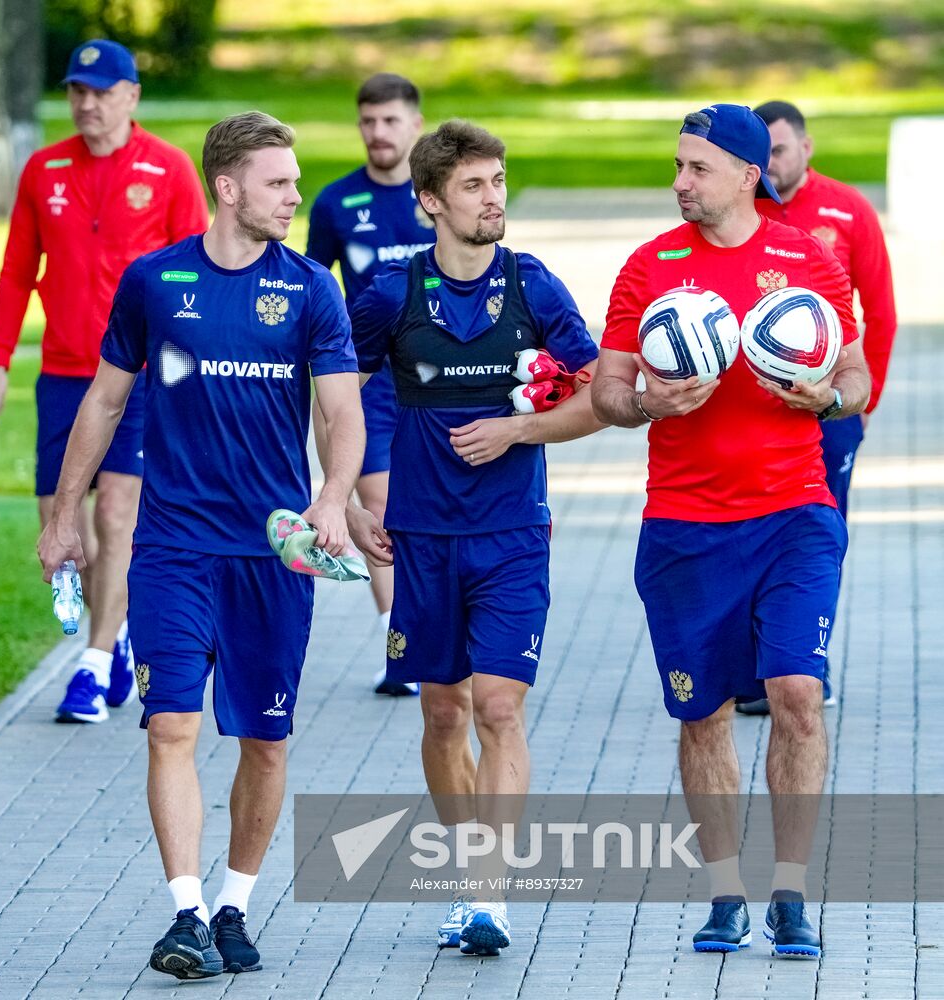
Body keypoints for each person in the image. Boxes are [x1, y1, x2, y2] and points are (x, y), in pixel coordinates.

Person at [37, 111, 364, 980]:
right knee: (170, 724)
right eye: (278, 183)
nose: (296, 197)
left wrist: (332, 497)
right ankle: (185, 912)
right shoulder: (154, 280)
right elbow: (104, 404)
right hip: (173, 548)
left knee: (265, 741)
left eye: (295, 183)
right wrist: (63, 514)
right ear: (228, 188)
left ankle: (234, 906)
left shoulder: (309, 290)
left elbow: (341, 412)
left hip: (271, 554)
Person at [591, 104, 870, 959]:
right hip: (684, 526)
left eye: (697, 168)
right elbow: (605, 390)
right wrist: (645, 402)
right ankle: (725, 894)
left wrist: (824, 397)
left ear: (748, 173)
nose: (680, 183)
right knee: (704, 712)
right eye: (677, 167)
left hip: (795, 514)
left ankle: (789, 892)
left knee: (794, 695)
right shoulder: (649, 268)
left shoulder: (806, 260)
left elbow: (854, 374)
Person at [343, 120, 603, 956]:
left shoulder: (535, 289)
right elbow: (334, 395)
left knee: (497, 707)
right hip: (420, 537)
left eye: (498, 182)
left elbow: (596, 395)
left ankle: (486, 895)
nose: (493, 198)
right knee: (443, 711)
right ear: (430, 202)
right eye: (473, 186)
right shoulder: (391, 295)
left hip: (513, 534)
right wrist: (349, 496)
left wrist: (517, 434)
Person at [0, 39, 209, 724]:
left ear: (131, 96)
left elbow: (196, 274)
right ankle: (108, 637)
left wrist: (191, 371)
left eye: (102, 91)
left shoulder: (167, 169)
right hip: (63, 375)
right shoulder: (43, 169)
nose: (87, 103)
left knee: (117, 516)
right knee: (61, 521)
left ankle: (95, 659)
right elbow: (17, 271)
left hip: (140, 379)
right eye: (78, 90)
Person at [734, 99, 898, 716]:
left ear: (806, 148)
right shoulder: (736, 212)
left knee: (817, 539)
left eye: (778, 149)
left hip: (828, 411)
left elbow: (879, 312)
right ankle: (753, 668)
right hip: (750, 415)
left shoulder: (846, 210)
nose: (769, 163)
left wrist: (860, 404)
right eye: (759, 153)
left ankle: (809, 665)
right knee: (747, 533)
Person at [306, 72, 432, 697]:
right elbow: (312, 288)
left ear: (415, 123)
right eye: (368, 121)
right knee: (381, 507)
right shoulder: (334, 204)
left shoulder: (443, 195)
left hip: (439, 381)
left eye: (390, 121)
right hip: (366, 383)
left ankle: (437, 624)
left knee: (435, 505)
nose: (378, 133)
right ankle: (397, 638)